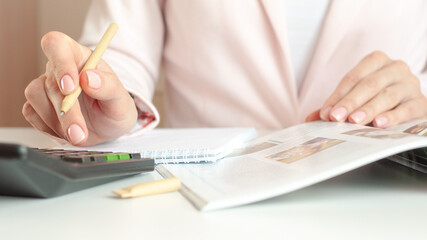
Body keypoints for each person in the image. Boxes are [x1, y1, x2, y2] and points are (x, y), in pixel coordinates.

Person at [22, 0, 427, 146]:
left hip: (383, 196)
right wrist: (102, 100)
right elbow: (119, 52)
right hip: (199, 205)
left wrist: (420, 98)